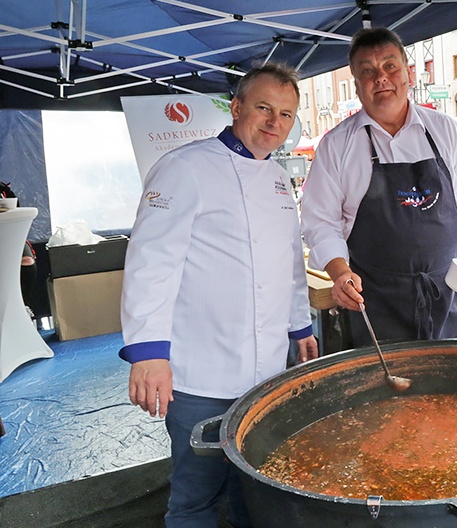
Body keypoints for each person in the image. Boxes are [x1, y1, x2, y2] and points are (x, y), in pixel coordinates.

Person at [119, 63, 319, 528]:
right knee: (195, 498)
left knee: (255, 491)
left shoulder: (276, 179)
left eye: (286, 114)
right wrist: (148, 353)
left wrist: (300, 325)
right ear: (236, 107)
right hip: (199, 376)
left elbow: (289, 261)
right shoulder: (184, 167)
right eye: (264, 108)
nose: (274, 123)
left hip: (265, 374)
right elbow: (151, 262)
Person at [301, 27, 457, 346]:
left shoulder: (446, 131)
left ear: (408, 74)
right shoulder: (336, 146)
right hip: (374, 305)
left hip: (450, 296)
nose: (380, 77)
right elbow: (320, 222)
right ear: (356, 84)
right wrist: (340, 272)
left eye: (390, 66)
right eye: (367, 71)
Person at [0, 181, 37, 316]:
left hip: (8, 233)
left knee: (27, 260)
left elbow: (15, 210)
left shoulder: (3, 189)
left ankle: (22, 306)